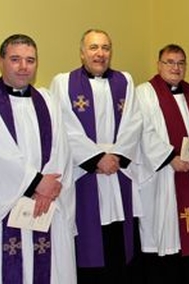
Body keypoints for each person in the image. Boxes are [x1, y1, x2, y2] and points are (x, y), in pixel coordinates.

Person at [0, 34, 75, 283]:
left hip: (44, 208)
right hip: (0, 212)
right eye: (15, 59)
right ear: (1, 62)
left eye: (30, 60)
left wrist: (47, 188)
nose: (23, 67)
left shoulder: (48, 101)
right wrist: (36, 182)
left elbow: (61, 150)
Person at [50, 29, 155, 283]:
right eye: (94, 47)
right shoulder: (63, 82)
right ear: (82, 52)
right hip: (86, 172)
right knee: (88, 239)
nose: (100, 53)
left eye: (105, 48)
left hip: (118, 171)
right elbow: (64, 127)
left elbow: (134, 121)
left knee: (120, 236)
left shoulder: (125, 81)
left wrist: (117, 156)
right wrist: (96, 158)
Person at [134, 44, 189, 284]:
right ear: (159, 65)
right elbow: (143, 131)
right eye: (169, 62)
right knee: (165, 230)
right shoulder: (145, 92)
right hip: (164, 176)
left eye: (180, 63)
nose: (175, 67)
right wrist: (170, 158)